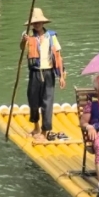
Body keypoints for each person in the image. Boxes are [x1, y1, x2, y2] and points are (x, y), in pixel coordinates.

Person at [23, 8, 65, 144]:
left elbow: (58, 56)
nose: (37, 25)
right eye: (34, 23)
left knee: (47, 102)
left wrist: (61, 76)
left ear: (43, 23)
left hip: (48, 73)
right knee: (33, 100)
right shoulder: (28, 35)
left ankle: (44, 131)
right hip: (34, 72)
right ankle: (35, 127)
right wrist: (24, 41)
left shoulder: (51, 36)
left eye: (39, 22)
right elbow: (21, 48)